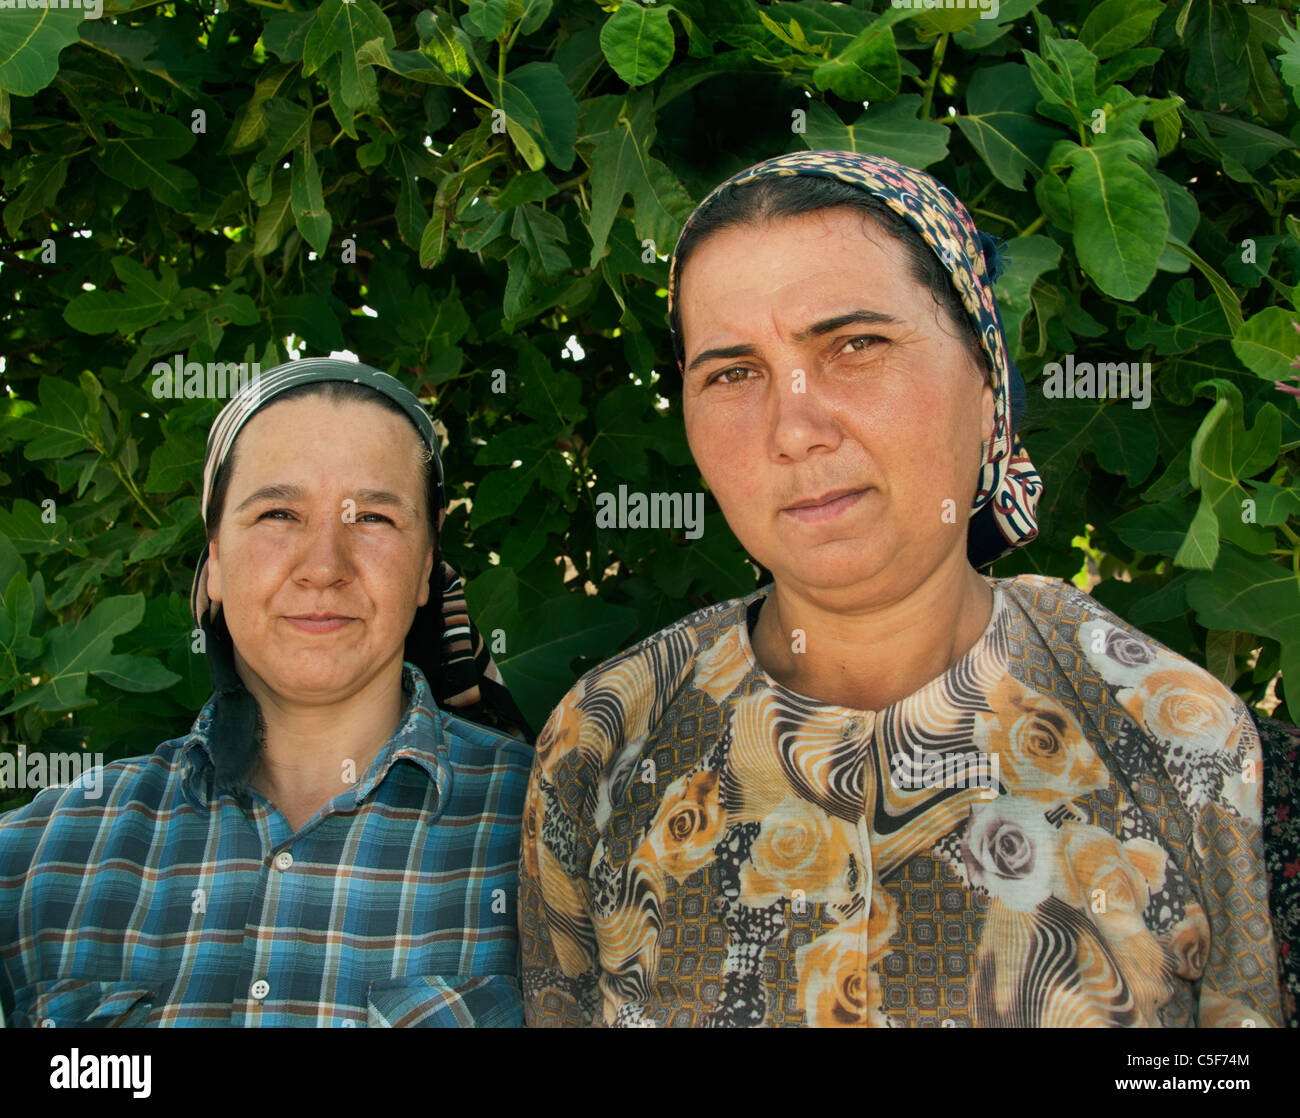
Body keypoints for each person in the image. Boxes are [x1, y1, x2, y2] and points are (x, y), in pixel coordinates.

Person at [518, 151, 1285, 1027]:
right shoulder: (605, 739)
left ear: (987, 377)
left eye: (856, 346)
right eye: (732, 372)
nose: (794, 428)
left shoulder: (1169, 731)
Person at [0, 358, 532, 1027]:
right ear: (214, 560)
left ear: (427, 566)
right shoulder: (36, 865)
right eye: (279, 512)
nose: (323, 567)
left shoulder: (558, 833)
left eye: (372, 517)